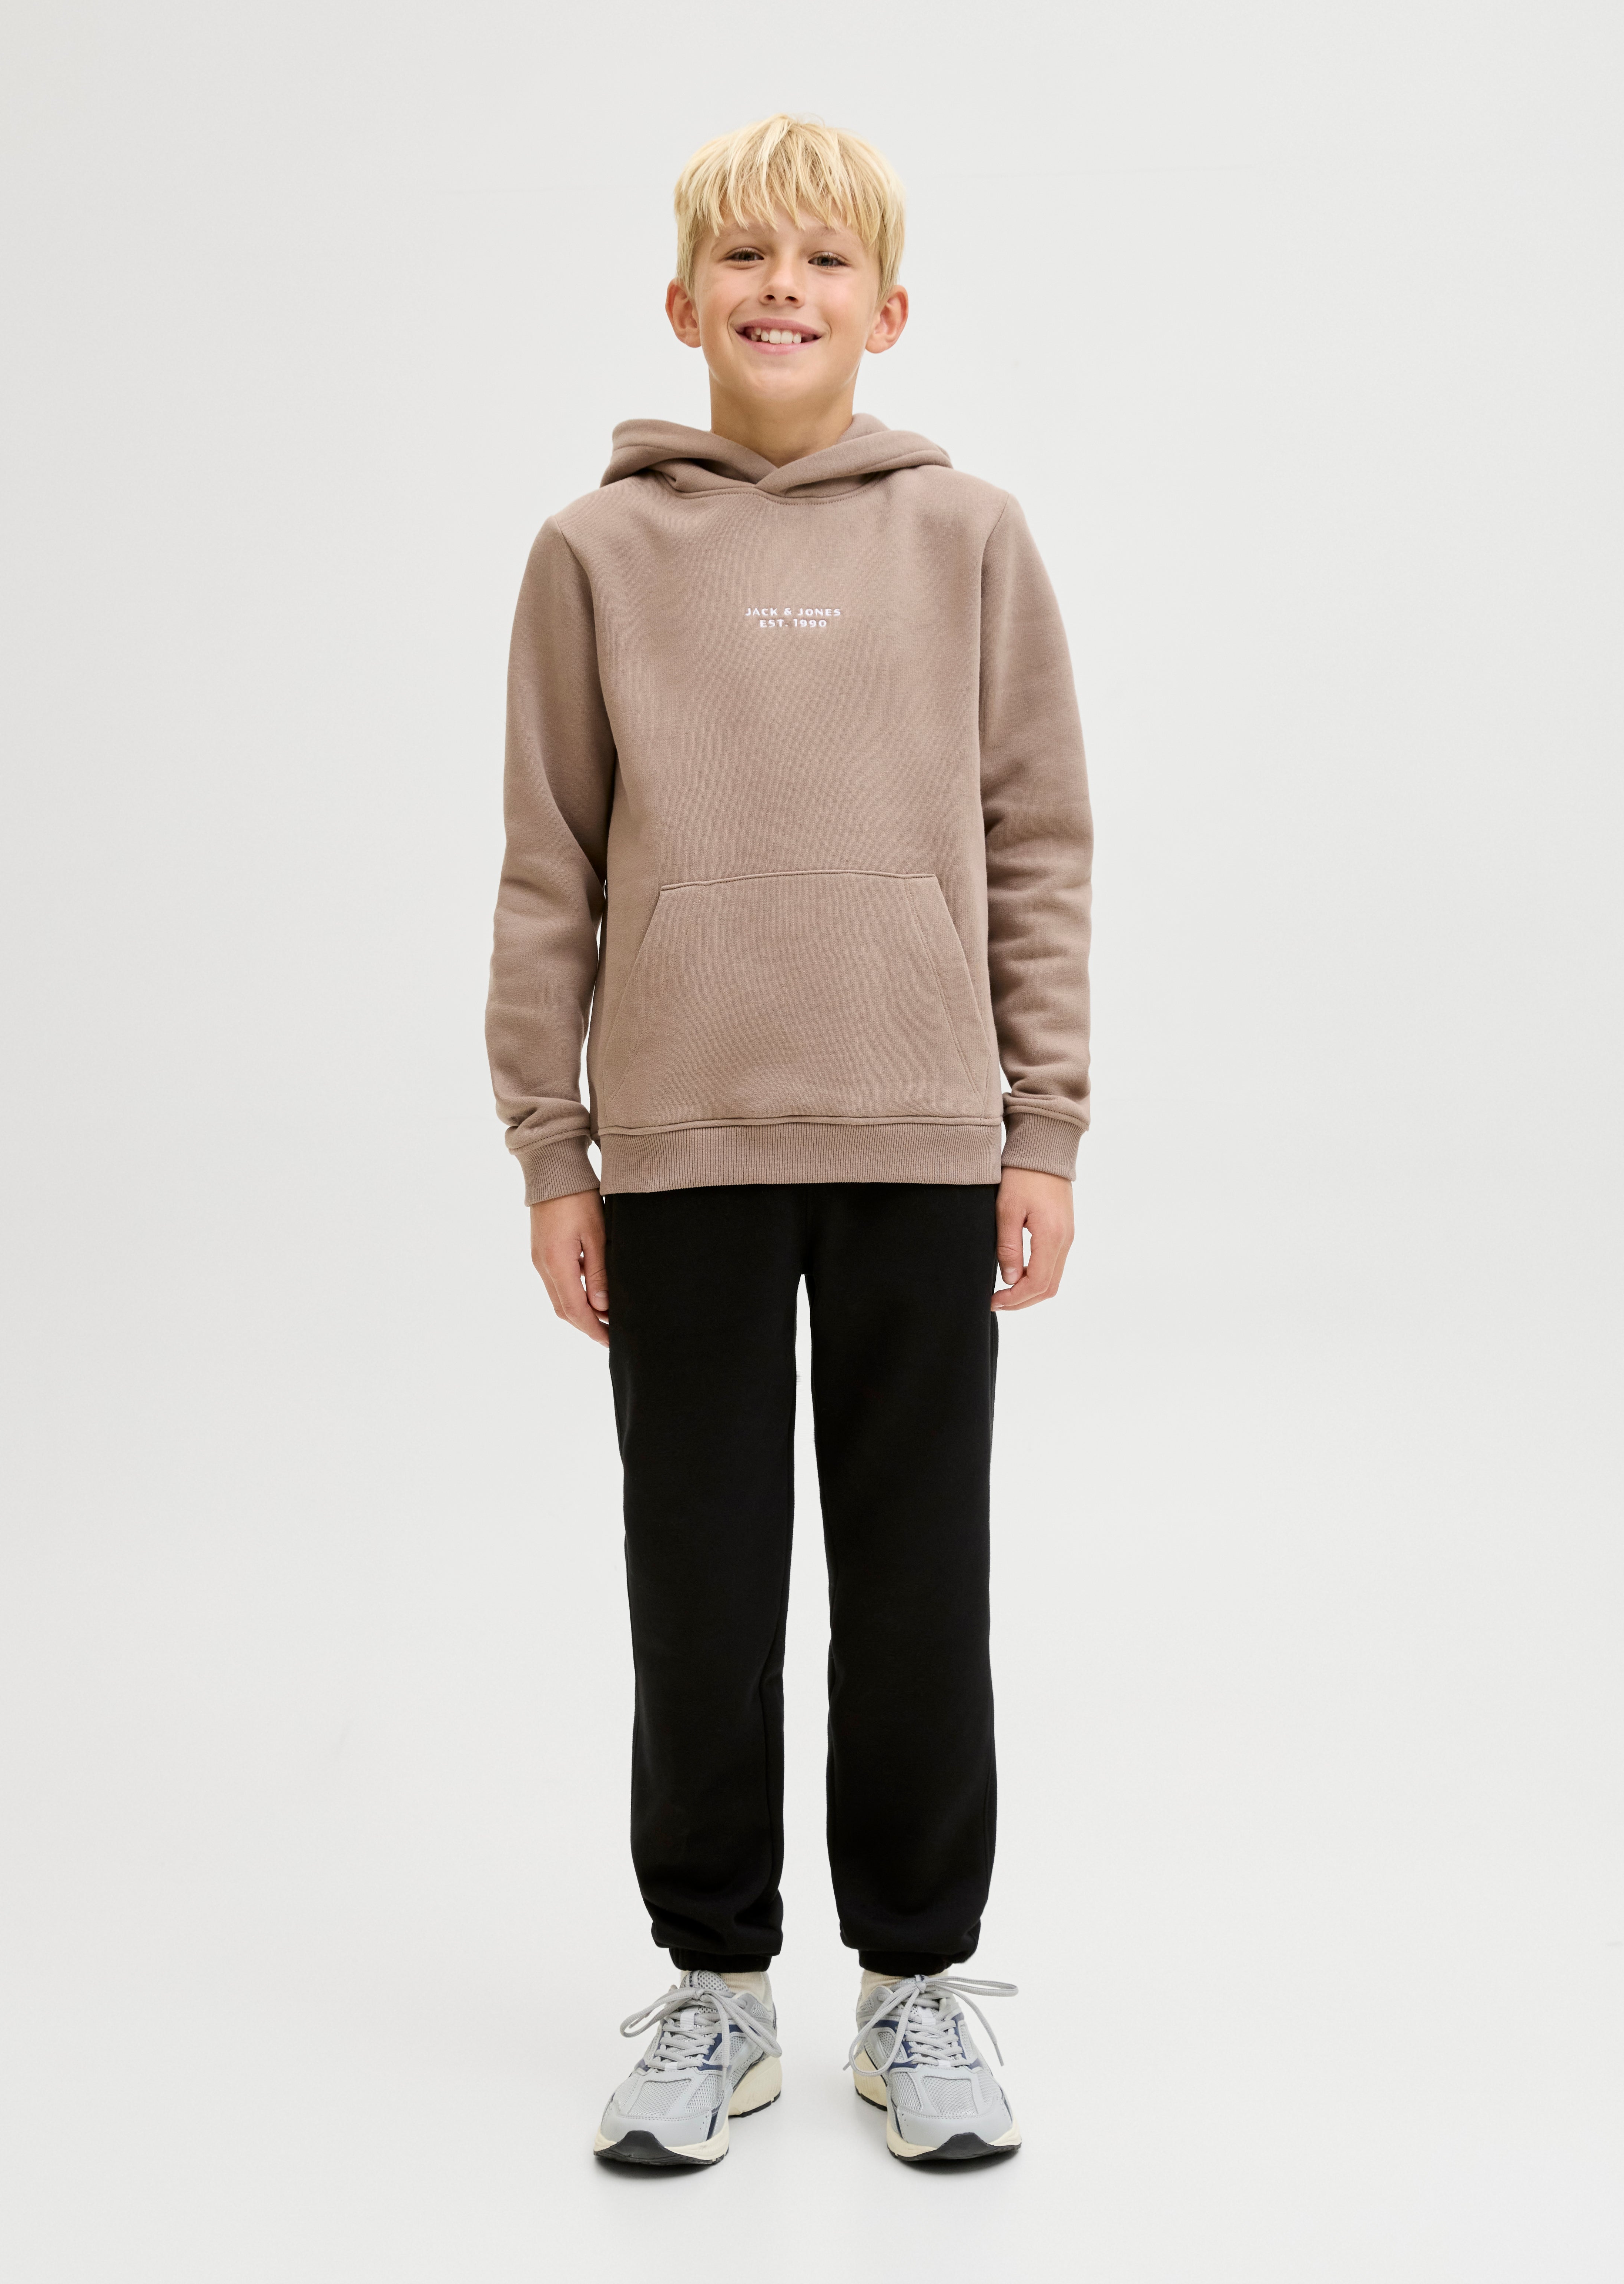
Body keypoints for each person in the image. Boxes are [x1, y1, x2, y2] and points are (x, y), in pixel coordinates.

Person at [485, 113, 1092, 2168]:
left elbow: (1036, 842)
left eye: (824, 260)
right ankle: (716, 1988)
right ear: (682, 303)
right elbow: (548, 866)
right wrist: (553, 1151)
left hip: (923, 1132)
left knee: (918, 1582)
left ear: (887, 311)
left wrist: (1042, 1125)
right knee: (701, 1580)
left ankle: (914, 1991)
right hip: (680, 1146)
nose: (781, 288)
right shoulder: (591, 555)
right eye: (744, 257)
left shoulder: (971, 538)